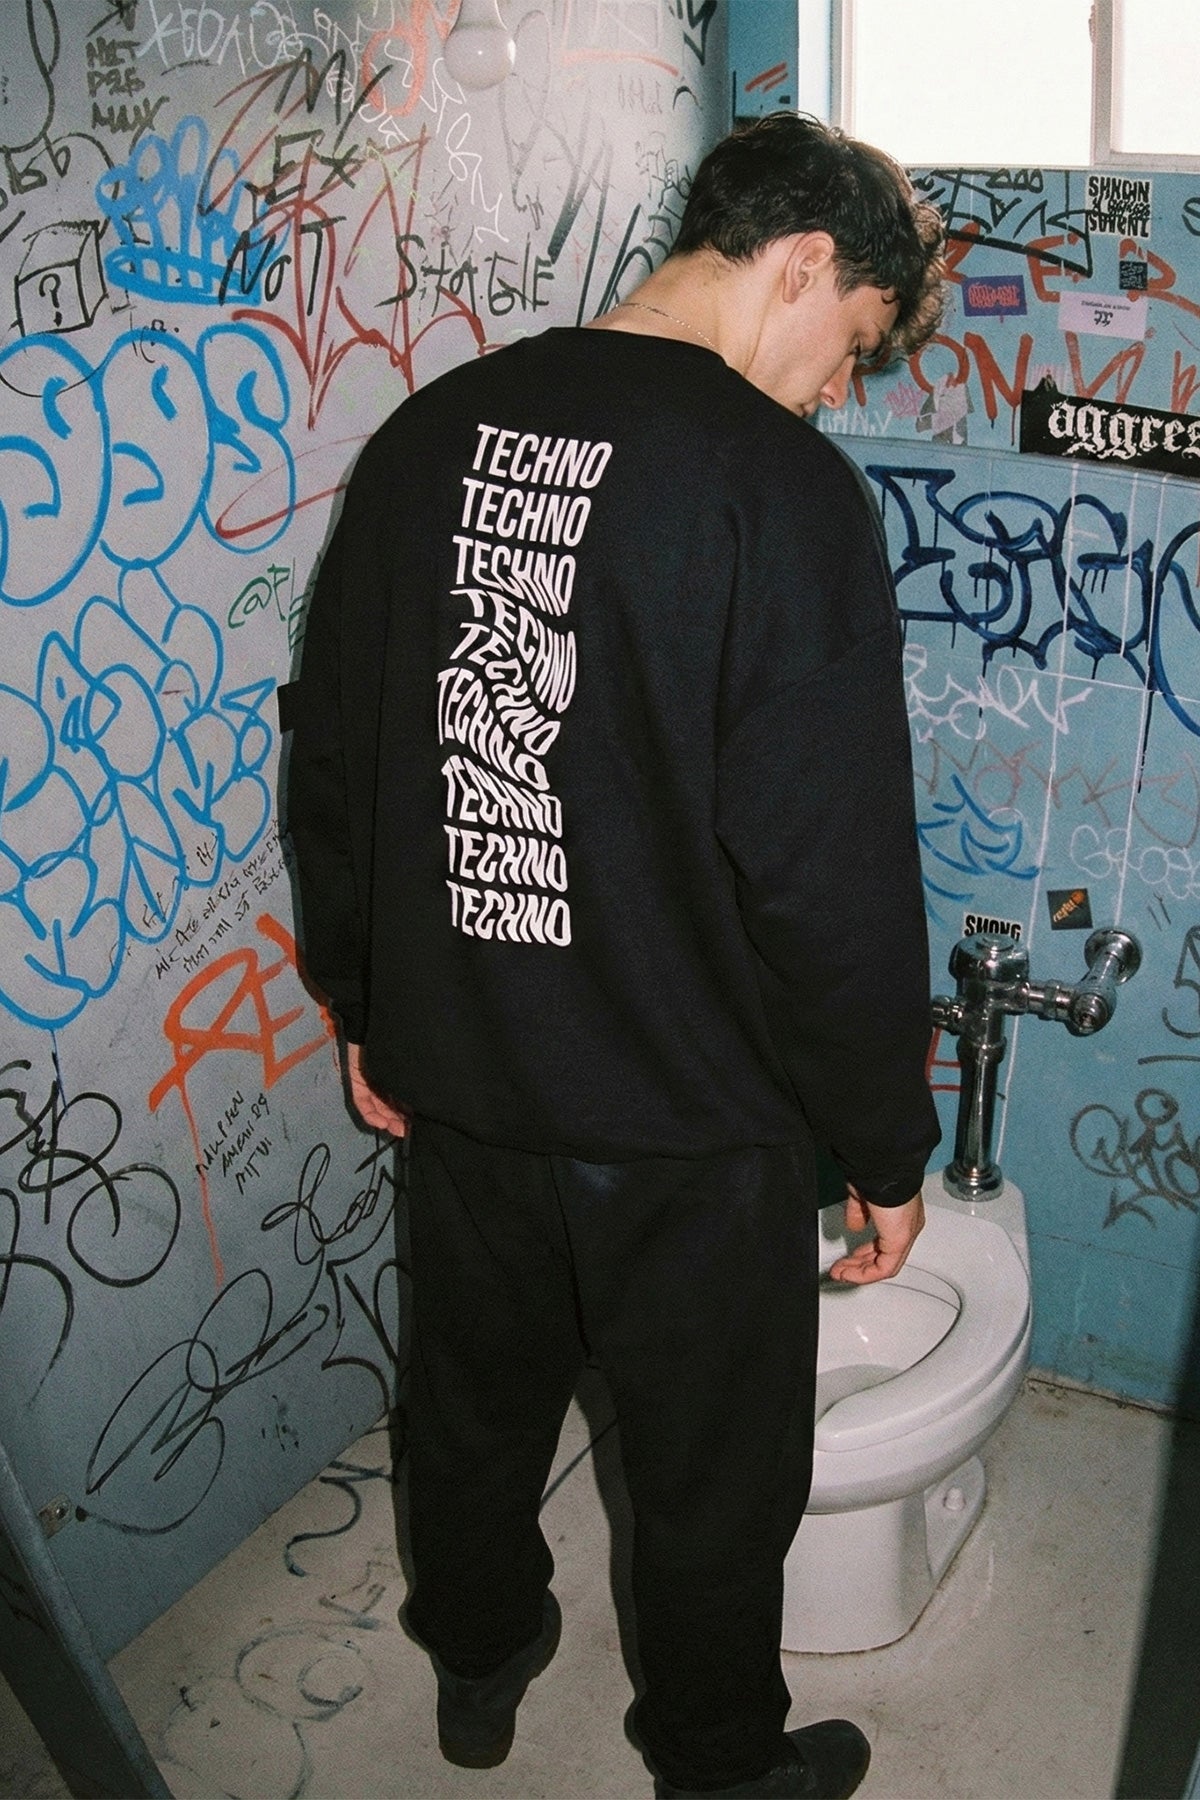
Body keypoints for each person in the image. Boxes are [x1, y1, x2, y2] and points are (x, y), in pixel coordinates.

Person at [286, 111, 945, 1800]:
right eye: (851, 343)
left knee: (474, 1410)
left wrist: (364, 999)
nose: (833, 389)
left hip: (468, 1071)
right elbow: (829, 880)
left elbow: (339, 750)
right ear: (804, 262)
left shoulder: (428, 435)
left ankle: (481, 1661)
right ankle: (717, 1764)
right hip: (687, 1112)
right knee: (714, 1473)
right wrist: (884, 1145)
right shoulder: (778, 491)